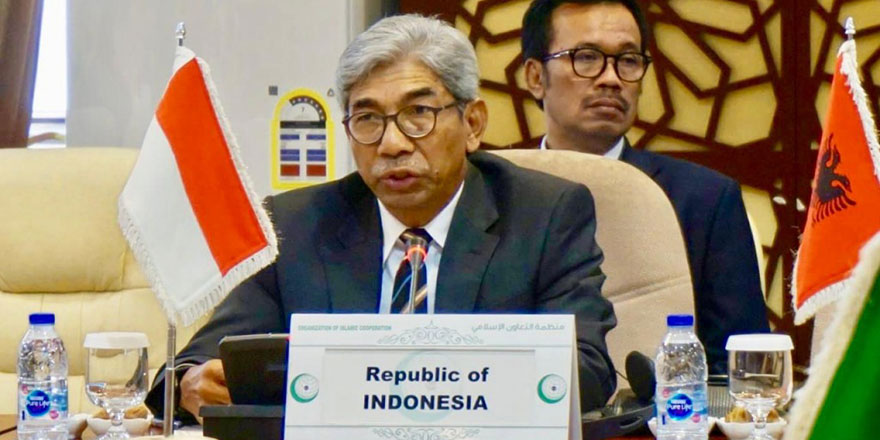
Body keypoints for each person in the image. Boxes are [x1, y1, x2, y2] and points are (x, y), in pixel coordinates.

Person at [145, 14, 617, 421]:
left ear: (472, 123)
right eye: (368, 119)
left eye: (418, 113)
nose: (392, 144)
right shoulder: (295, 224)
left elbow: (587, 372)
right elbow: (196, 364)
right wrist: (189, 383)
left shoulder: (545, 215)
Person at [521, 0, 769, 374]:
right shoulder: (491, 195)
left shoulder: (704, 201)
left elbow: (739, 367)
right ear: (535, 77)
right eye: (586, 58)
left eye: (628, 61)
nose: (611, 78)